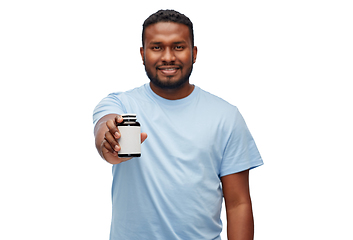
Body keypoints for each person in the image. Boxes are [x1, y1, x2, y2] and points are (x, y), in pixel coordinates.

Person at [93, 9, 263, 240]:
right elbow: (105, 129)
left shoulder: (226, 116)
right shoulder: (120, 104)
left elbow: (238, 203)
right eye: (156, 47)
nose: (168, 57)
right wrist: (110, 142)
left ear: (194, 53)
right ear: (142, 54)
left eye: (178, 47)